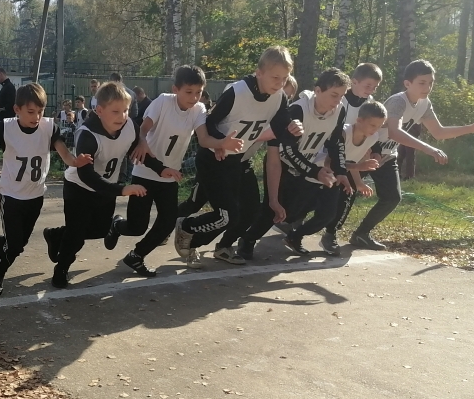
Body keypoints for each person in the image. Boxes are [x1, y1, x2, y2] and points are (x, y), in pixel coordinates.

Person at [175, 46, 301, 268]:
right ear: (259, 72)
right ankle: (188, 229)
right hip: (214, 159)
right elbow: (210, 122)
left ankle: (223, 247)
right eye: (275, 77)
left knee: (251, 211)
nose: (280, 83)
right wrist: (221, 142)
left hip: (239, 159)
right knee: (226, 215)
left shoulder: (280, 97)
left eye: (284, 78)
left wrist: (293, 130)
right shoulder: (237, 92)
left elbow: (281, 131)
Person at [350, 59, 474, 249]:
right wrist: (428, 149)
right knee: (344, 193)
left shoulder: (425, 104)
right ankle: (323, 230)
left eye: (431, 82)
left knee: (392, 197)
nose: (427, 87)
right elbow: (394, 132)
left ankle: (360, 234)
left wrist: (471, 128)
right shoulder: (398, 101)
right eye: (422, 83)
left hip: (388, 156)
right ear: (408, 84)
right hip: (366, 152)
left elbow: (438, 132)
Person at [0, 82, 91, 297]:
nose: (36, 116)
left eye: (40, 111)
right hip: (11, 195)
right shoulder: (7, 127)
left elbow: (64, 153)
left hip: (35, 195)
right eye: (30, 112)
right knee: (15, 246)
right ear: (17, 109)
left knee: (20, 243)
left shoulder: (49, 127)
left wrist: (76, 161)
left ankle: (2, 244)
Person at [106, 66, 216, 277]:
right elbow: (143, 129)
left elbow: (203, 139)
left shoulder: (199, 109)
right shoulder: (163, 102)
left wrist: (222, 144)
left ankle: (137, 255)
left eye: (199, 92)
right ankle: (117, 225)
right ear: (176, 89)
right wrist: (142, 141)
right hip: (145, 172)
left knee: (167, 223)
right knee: (137, 227)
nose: (194, 97)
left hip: (169, 176)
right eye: (189, 92)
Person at [42, 81, 148, 289]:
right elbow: (87, 175)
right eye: (115, 111)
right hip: (79, 188)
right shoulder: (87, 134)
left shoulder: (129, 126)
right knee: (76, 235)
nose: (122, 116)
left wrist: (162, 169)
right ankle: (61, 269)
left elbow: (139, 150)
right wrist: (122, 190)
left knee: (100, 230)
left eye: (125, 110)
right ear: (100, 111)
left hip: (106, 188)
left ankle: (56, 234)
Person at [238, 68, 352, 260]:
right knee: (273, 209)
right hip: (282, 163)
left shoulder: (340, 110)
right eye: (334, 95)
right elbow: (287, 150)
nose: (338, 100)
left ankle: (293, 236)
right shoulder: (298, 110)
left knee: (303, 209)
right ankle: (247, 240)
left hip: (306, 164)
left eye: (342, 96)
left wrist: (341, 170)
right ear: (318, 90)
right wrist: (315, 172)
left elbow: (335, 142)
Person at [320, 101, 387, 252]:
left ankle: (330, 235)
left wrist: (358, 182)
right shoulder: (343, 133)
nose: (376, 130)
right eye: (373, 125)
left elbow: (352, 160)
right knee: (311, 208)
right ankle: (294, 226)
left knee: (346, 195)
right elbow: (329, 163)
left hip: (340, 173)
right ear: (359, 120)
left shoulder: (372, 137)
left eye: (379, 126)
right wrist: (358, 167)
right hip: (319, 170)